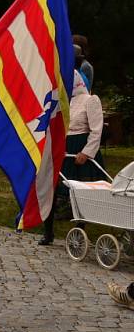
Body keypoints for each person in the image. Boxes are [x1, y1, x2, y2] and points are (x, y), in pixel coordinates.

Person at [39, 71, 105, 245]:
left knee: (81, 193)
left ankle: (79, 234)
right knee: (52, 190)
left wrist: (87, 152)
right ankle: (48, 232)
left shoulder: (91, 100)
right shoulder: (64, 101)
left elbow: (96, 130)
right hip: (64, 149)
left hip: (80, 149)